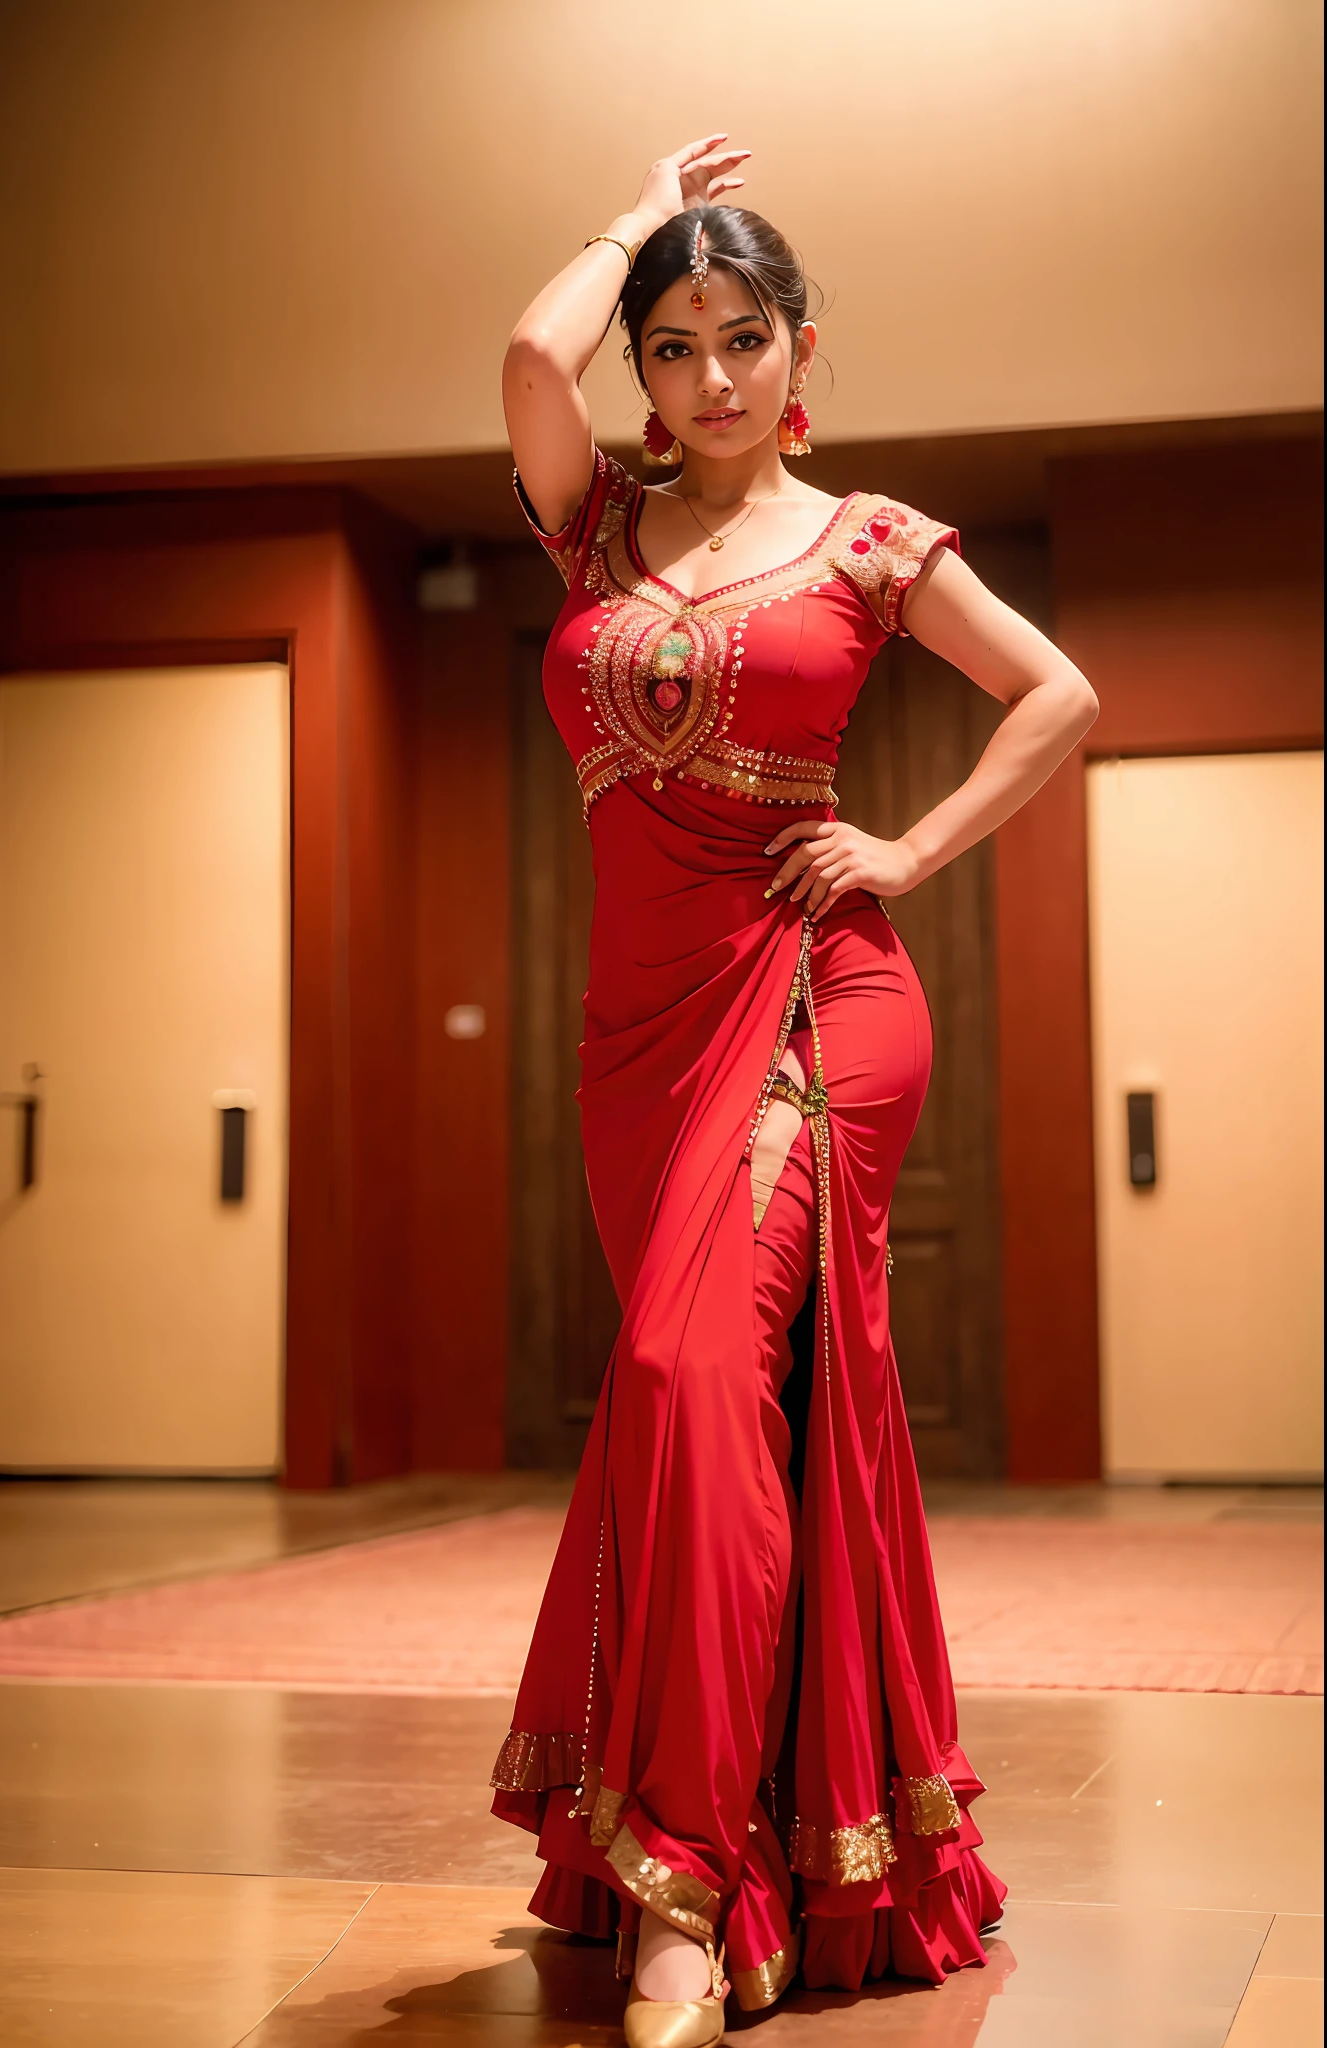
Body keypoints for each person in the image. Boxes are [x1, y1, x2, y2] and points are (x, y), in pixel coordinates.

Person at [490, 136, 1097, 2047]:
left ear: (799, 346)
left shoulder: (871, 543)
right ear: (644, 378)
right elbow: (523, 360)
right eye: (670, 345)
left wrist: (910, 851)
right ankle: (756, 1821)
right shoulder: (589, 529)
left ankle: (685, 1882)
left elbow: (1061, 696)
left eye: (742, 336)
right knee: (701, 1415)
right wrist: (632, 204)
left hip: (821, 1007)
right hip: (635, 1046)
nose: (710, 375)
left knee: (679, 1378)